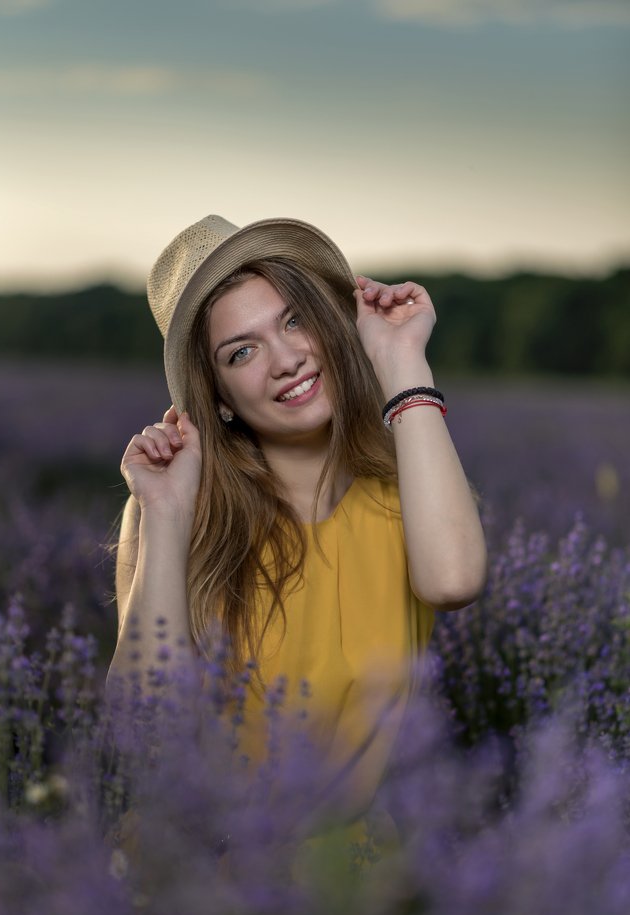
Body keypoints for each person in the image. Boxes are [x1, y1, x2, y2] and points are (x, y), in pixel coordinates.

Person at [107, 214, 487, 839]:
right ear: (220, 396)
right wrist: (166, 515)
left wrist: (400, 360)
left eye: (295, 319)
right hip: (195, 879)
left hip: (349, 877)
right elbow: (146, 729)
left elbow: (453, 581)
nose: (286, 359)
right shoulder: (176, 509)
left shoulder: (404, 491)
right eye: (242, 351)